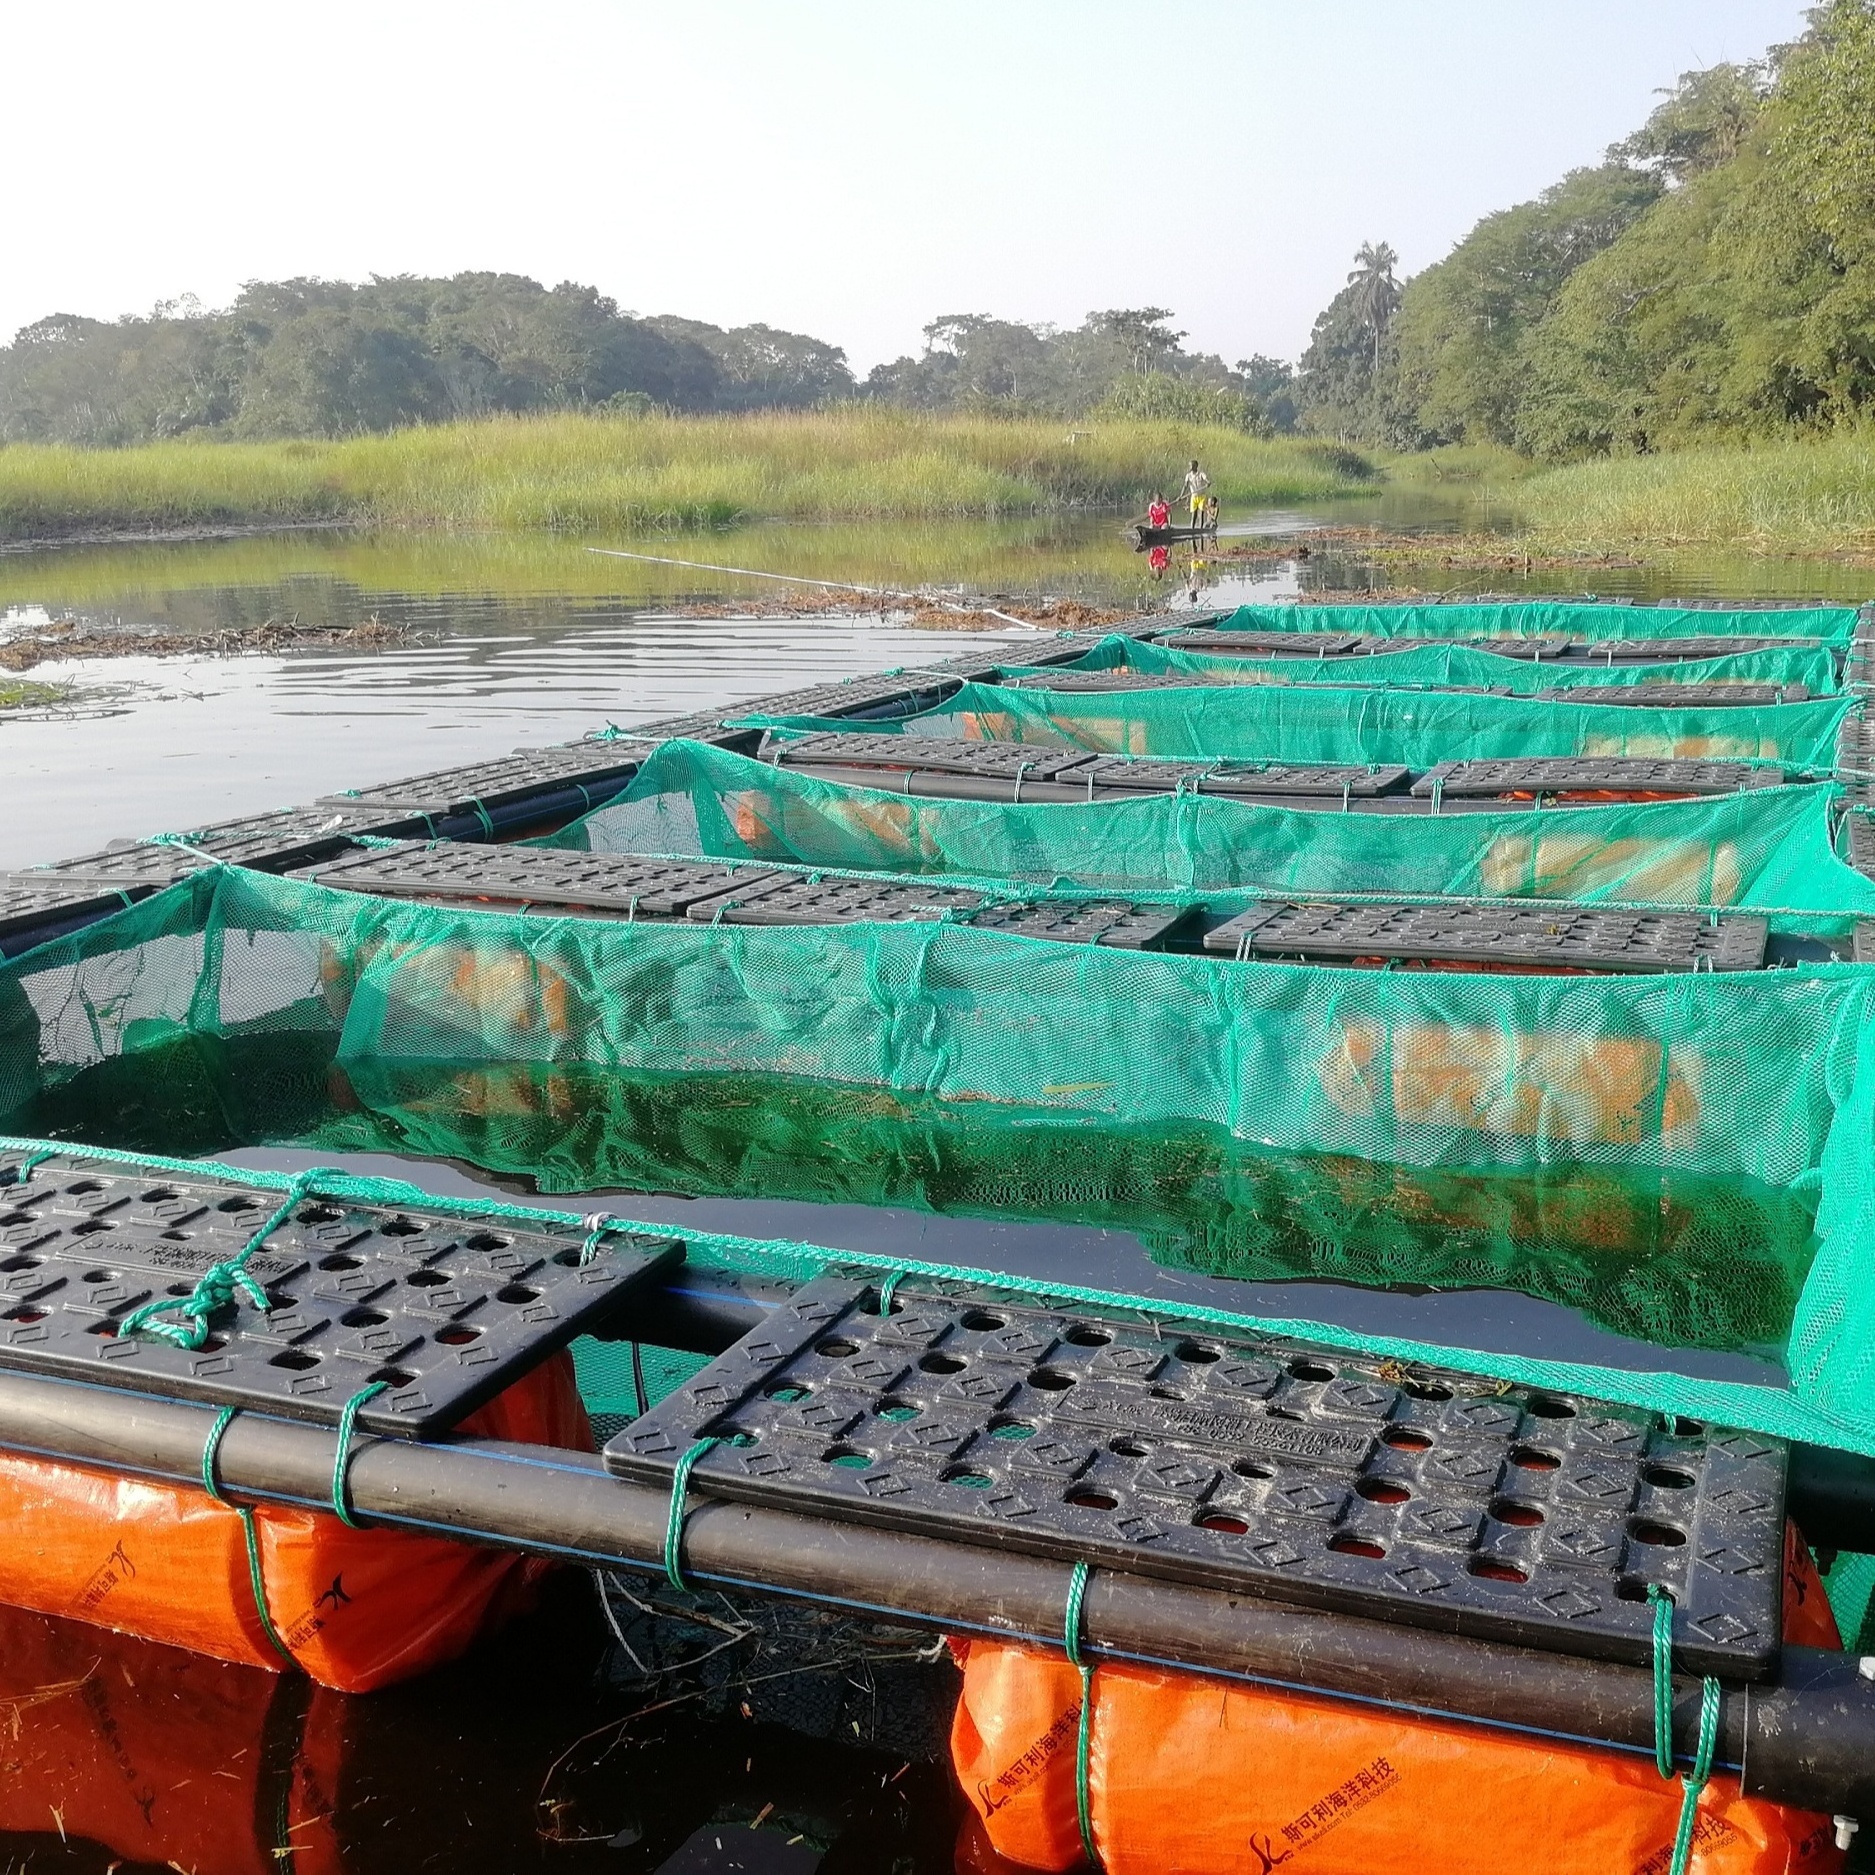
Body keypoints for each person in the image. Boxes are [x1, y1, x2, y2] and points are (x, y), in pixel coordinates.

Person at [1181, 460, 1210, 528]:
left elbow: (1206, 480)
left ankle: (1200, 528)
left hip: (1201, 496)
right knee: (1194, 514)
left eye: (1191, 465)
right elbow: (1185, 486)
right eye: (1189, 466)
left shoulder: (1201, 474)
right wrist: (1181, 495)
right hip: (1194, 496)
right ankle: (1192, 528)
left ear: (1195, 466)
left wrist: (1208, 483)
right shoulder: (1188, 475)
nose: (1190, 467)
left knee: (1201, 514)